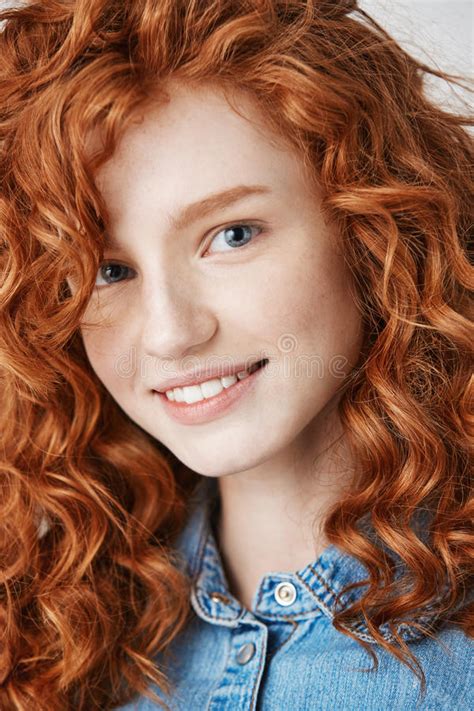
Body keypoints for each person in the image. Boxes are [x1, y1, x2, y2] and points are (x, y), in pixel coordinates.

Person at [0, 0, 472, 709]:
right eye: (109, 271)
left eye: (233, 234)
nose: (169, 333)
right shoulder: (62, 632)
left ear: (371, 226)